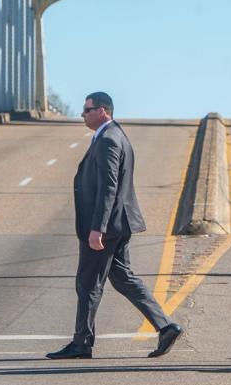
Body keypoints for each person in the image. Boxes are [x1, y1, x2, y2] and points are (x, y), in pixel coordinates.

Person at [47, 92, 182, 360]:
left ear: (103, 111)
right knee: (123, 279)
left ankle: (81, 343)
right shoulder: (112, 136)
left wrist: (98, 228)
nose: (82, 114)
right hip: (119, 224)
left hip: (107, 227)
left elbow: (109, 187)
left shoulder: (109, 140)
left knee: (88, 283)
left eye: (87, 110)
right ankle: (166, 327)